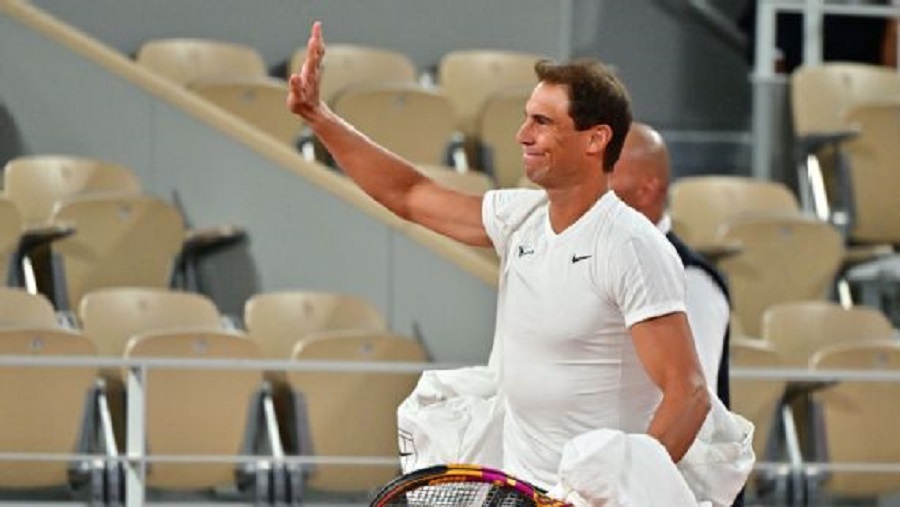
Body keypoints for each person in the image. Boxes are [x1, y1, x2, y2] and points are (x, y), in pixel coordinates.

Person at [287, 22, 710, 490]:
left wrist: (618, 491)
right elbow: (408, 193)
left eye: (543, 122)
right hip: (517, 491)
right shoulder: (519, 216)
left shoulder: (631, 246)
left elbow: (689, 395)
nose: (522, 134)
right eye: (527, 117)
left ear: (595, 140)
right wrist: (319, 116)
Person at [608, 122, 732, 407]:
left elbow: (694, 407)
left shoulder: (690, 282)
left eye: (607, 169)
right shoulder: (595, 263)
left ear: (647, 190)